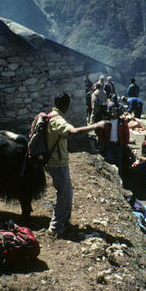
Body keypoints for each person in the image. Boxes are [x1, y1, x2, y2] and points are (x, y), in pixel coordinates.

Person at [46, 93, 106, 237]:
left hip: (54, 161)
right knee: (63, 195)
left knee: (66, 193)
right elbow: (73, 131)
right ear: (66, 105)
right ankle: (56, 227)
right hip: (57, 163)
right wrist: (96, 125)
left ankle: (63, 222)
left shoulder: (49, 116)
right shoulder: (58, 120)